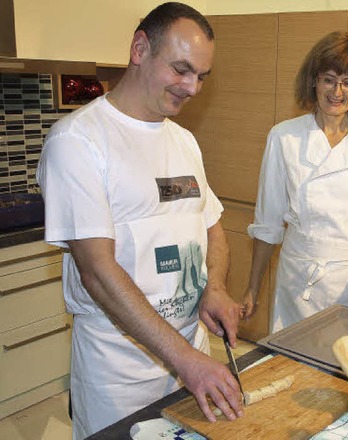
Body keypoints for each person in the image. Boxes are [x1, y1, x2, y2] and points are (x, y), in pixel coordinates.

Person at [36, 3, 244, 437]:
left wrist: (216, 287)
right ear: (139, 48)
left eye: (202, 76)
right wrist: (184, 359)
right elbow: (96, 271)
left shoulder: (184, 141)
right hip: (120, 371)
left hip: (192, 355)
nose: (193, 88)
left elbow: (211, 228)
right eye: (182, 69)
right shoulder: (78, 141)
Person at [241, 31, 348, 332]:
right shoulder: (284, 137)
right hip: (299, 283)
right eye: (329, 79)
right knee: (293, 368)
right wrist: (252, 289)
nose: (338, 91)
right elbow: (268, 224)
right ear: (314, 80)